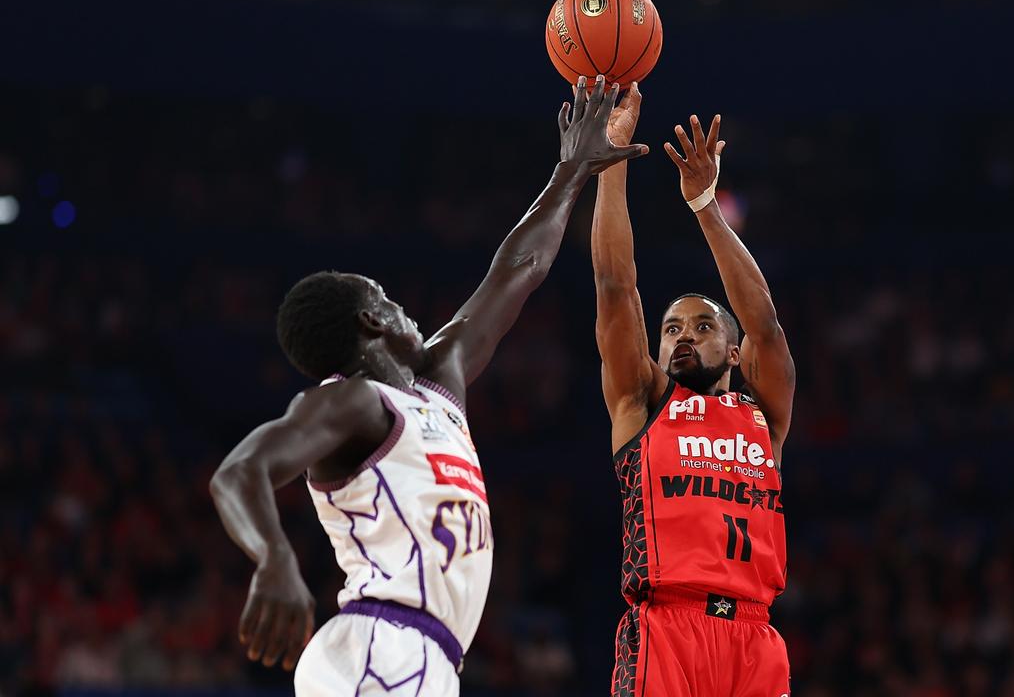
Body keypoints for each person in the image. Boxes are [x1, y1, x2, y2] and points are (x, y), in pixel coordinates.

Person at [208, 76, 648, 696]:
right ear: (372, 321)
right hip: (377, 645)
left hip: (432, 658)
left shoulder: (438, 383)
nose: (406, 310)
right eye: (388, 299)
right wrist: (274, 558)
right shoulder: (352, 402)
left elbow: (520, 269)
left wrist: (572, 168)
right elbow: (238, 471)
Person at [592, 84, 796, 697]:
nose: (682, 336)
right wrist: (610, 160)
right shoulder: (644, 404)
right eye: (671, 328)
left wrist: (705, 204)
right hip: (665, 629)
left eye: (703, 326)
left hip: (756, 639)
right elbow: (614, 286)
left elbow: (763, 321)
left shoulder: (762, 414)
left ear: (733, 352)